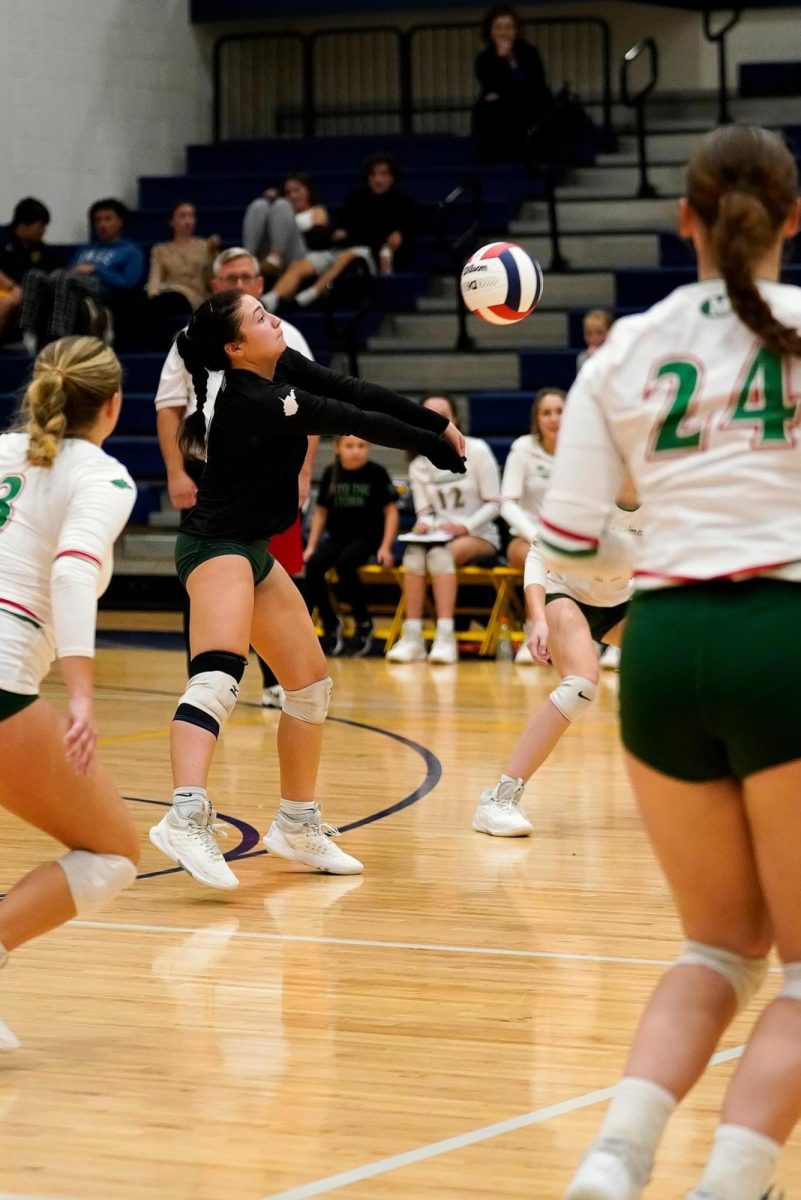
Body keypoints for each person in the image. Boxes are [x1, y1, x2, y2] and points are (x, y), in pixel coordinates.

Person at [535, 125, 801, 1200]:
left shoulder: (623, 350)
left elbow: (562, 548)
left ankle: (613, 1165)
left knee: (716, 951)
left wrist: (571, 650)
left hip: (661, 647)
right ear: (791, 219)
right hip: (783, 630)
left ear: (683, 220)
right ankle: (727, 1186)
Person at [147, 289, 465, 890]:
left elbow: (355, 390)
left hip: (252, 549)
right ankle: (185, 815)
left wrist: (437, 422)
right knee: (218, 676)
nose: (275, 319)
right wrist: (428, 440)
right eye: (261, 318)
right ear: (236, 348)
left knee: (310, 685)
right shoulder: (253, 397)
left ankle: (296, 823)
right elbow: (351, 419)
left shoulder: (277, 364)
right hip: (213, 547)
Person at [0, 335, 141, 1048]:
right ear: (113, 405)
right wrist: (81, 696)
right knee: (112, 853)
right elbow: (71, 572)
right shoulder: (105, 478)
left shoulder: (1, 452)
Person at [153, 247, 317, 709]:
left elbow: (310, 410)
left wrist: (302, 472)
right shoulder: (190, 338)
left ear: (260, 285)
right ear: (215, 285)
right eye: (229, 279)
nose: (239, 285)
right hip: (205, 468)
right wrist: (173, 471)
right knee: (207, 574)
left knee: (270, 567)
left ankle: (276, 678)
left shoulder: (286, 335)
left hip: (268, 469)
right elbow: (168, 406)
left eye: (247, 277)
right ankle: (205, 680)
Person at [474, 517, 636, 836]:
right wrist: (539, 621)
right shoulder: (591, 487)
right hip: (566, 593)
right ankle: (499, 800)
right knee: (580, 686)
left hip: (623, 600)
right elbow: (537, 555)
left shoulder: (663, 492)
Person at [386, 395, 500, 665]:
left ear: (455, 419)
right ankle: (412, 637)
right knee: (413, 554)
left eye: (443, 414)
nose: (436, 421)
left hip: (480, 534)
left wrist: (466, 526)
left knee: (440, 556)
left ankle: (445, 637)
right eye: (429, 415)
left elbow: (495, 503)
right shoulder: (418, 464)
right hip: (440, 535)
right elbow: (425, 512)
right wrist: (424, 525)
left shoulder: (478, 450)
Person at [261, 154, 418, 312]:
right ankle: (272, 299)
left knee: (348, 255)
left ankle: (306, 296)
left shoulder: (402, 202)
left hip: (367, 255)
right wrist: (339, 232)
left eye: (383, 174)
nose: (378, 179)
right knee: (301, 263)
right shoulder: (356, 198)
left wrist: (399, 233)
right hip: (339, 249)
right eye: (373, 174)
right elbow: (341, 227)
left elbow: (410, 227)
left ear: (392, 177)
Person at [303, 435, 398, 658]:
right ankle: (330, 622)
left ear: (369, 447)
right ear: (337, 448)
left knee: (346, 564)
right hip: (337, 537)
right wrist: (311, 546)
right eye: (349, 446)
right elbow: (321, 513)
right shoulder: (330, 473)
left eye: (362, 446)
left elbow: (391, 512)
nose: (356, 451)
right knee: (313, 565)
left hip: (367, 538)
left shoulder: (377, 473)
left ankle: (363, 622)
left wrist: (385, 547)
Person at [20, 199, 144, 349]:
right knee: (34, 275)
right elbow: (71, 271)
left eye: (108, 219)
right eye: (97, 220)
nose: (102, 224)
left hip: (102, 289)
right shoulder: (85, 250)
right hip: (74, 284)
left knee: (66, 279)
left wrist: (96, 269)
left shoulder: (130, 251)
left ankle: (59, 335)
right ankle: (27, 333)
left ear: (120, 222)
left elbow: (128, 282)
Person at [499, 387, 565, 664]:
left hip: (570, 538)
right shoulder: (522, 448)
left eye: (560, 411)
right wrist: (537, 536)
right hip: (528, 538)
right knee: (535, 558)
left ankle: (588, 639)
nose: (553, 418)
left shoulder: (582, 450)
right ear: (536, 418)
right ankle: (533, 634)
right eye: (546, 412)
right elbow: (507, 503)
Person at [472, 4, 552, 164]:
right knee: (486, 110)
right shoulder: (485, 57)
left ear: (516, 31)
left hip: (530, 101)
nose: (503, 33)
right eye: (498, 28)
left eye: (508, 28)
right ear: (490, 31)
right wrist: (500, 60)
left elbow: (534, 82)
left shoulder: (529, 52)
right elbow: (490, 85)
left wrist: (511, 61)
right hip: (502, 106)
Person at [242, 171, 331, 279]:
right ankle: (247, 259)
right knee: (260, 204)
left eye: (297, 190)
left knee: (282, 204)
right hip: (268, 252)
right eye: (288, 192)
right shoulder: (279, 212)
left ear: (308, 191)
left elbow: (318, 239)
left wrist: (287, 231)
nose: (293, 195)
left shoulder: (317, 210)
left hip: (299, 255)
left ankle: (275, 258)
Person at [146, 200, 219, 316]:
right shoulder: (160, 250)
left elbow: (211, 280)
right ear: (171, 221)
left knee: (169, 301)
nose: (188, 220)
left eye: (191, 216)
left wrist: (212, 254)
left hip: (194, 296)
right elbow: (155, 278)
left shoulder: (205, 246)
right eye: (182, 216)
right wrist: (152, 295)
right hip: (168, 292)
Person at [0, 198, 56, 346]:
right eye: (40, 226)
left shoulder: (41, 249)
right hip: (6, 289)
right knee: (6, 301)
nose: (43, 230)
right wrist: (12, 287)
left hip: (28, 294)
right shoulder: (2, 237)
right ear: (24, 224)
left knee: (10, 301)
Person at [576, 307, 614, 371]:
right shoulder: (583, 357)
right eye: (589, 333)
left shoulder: (618, 355)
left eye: (600, 333)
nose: (594, 338)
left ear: (610, 333)